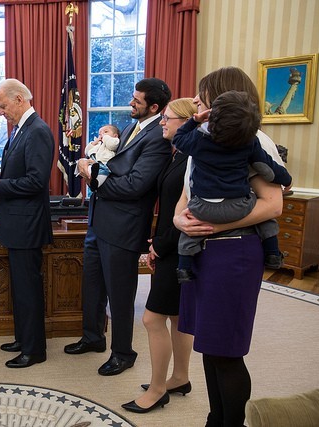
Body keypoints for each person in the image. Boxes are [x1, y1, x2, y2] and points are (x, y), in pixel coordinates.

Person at [174, 66, 286, 426]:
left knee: (228, 351)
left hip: (233, 253)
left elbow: (273, 204)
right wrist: (180, 219)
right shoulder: (207, 137)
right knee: (209, 345)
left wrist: (213, 224)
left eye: (202, 96)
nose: (196, 101)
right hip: (204, 252)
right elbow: (188, 194)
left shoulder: (253, 139)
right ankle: (215, 419)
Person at [66, 78, 172, 376]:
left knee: (120, 295)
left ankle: (123, 352)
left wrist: (91, 176)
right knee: (93, 286)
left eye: (136, 100)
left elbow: (135, 186)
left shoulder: (158, 139)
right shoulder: (128, 129)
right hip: (99, 221)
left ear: (153, 106)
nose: (130, 103)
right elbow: (114, 167)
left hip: (124, 227)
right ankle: (93, 337)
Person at [120, 98, 196, 414]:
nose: (162, 122)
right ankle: (180, 377)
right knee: (176, 316)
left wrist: (159, 246)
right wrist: (158, 240)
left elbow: (188, 212)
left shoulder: (193, 159)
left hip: (178, 250)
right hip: (169, 245)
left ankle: (157, 389)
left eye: (168, 118)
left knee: (152, 319)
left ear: (188, 122)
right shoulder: (176, 155)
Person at [173, 90, 292, 283]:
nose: (196, 99)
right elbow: (267, 168)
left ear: (213, 115)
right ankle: (272, 252)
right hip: (237, 207)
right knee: (265, 219)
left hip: (203, 207)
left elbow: (178, 139)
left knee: (190, 229)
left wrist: (195, 120)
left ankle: (184, 268)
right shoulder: (250, 142)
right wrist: (286, 179)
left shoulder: (198, 140)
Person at [0, 78, 54, 369]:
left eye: (3, 106)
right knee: (20, 289)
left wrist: (0, 185)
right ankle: (23, 339)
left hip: (27, 226)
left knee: (28, 289)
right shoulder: (21, 129)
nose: (0, 112)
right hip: (17, 224)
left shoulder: (37, 131)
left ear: (20, 100)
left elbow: (37, 182)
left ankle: (34, 350)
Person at [86, 124, 121, 190]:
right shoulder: (99, 144)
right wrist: (94, 143)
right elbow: (87, 151)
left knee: (103, 174)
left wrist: (105, 137)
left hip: (104, 163)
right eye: (100, 134)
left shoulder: (114, 140)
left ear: (115, 135)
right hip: (94, 161)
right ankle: (90, 176)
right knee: (87, 168)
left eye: (106, 132)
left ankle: (95, 184)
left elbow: (112, 145)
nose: (102, 134)